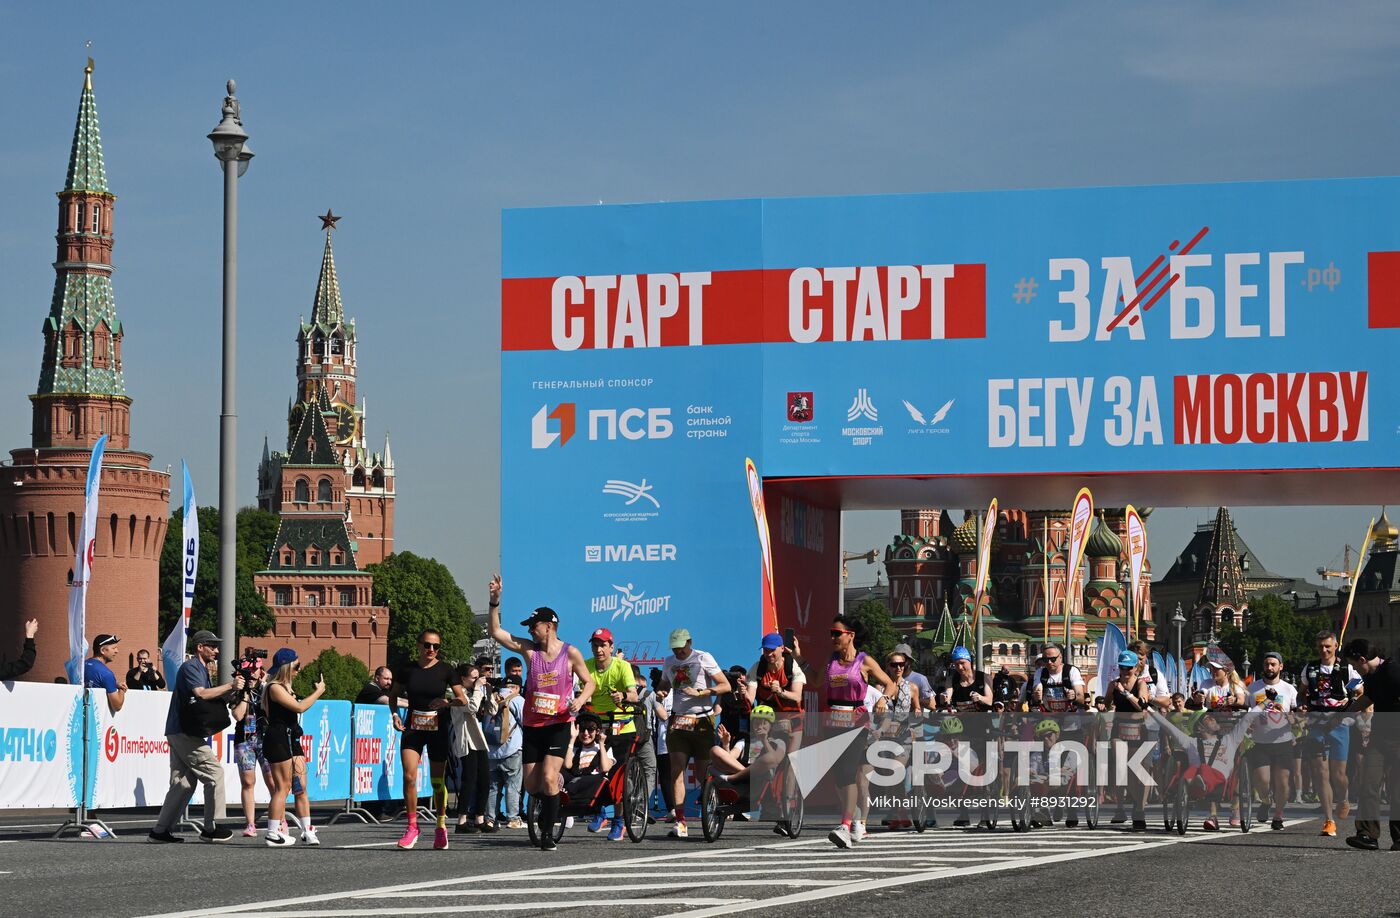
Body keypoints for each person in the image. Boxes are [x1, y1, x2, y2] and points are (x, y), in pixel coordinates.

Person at [487, 574, 595, 851]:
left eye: (534, 626)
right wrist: (494, 601)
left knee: (547, 778)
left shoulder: (570, 653)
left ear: (549, 627)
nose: (531, 631)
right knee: (533, 784)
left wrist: (580, 701)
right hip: (534, 726)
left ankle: (548, 833)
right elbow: (497, 633)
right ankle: (553, 789)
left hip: (559, 723)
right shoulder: (529, 651)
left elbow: (590, 682)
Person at [148, 630, 242, 843]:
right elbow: (200, 693)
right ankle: (211, 828)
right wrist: (230, 685)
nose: (216, 650)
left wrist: (236, 691)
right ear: (200, 647)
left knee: (184, 784)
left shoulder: (200, 668)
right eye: (212, 645)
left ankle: (160, 831)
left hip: (179, 730)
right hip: (185, 731)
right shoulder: (192, 667)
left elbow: (208, 698)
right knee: (214, 773)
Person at [389, 628, 470, 850]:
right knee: (408, 776)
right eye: (427, 645)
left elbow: (462, 699)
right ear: (418, 645)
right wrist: (395, 715)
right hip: (414, 728)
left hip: (438, 728)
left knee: (437, 782)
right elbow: (393, 696)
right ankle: (412, 826)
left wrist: (447, 702)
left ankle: (441, 825)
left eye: (436, 646)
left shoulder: (446, 670)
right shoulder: (407, 670)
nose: (431, 650)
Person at [825, 614, 893, 848]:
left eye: (837, 633)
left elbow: (890, 683)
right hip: (833, 721)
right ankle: (854, 820)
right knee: (838, 776)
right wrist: (798, 657)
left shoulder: (864, 661)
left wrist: (884, 698)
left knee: (847, 772)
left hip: (857, 722)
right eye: (831, 633)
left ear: (850, 635)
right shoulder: (831, 661)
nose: (832, 637)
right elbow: (814, 680)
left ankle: (845, 825)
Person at [658, 627, 730, 839]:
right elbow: (665, 683)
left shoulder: (702, 657)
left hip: (702, 720)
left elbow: (725, 685)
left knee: (702, 773)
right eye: (675, 649)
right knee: (677, 770)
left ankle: (712, 808)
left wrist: (702, 692)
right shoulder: (669, 662)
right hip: (679, 720)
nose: (679, 652)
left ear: (689, 642)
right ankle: (681, 822)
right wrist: (662, 690)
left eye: (682, 648)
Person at [1298, 629, 1361, 838]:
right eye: (1320, 647)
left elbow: (1360, 692)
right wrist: (1302, 707)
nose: (1324, 650)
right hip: (1317, 723)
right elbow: (1302, 694)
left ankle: (1343, 798)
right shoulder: (1310, 668)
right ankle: (1328, 820)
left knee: (1338, 774)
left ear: (1335, 646)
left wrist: (1348, 696)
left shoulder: (1346, 668)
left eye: (1327, 646)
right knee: (1321, 773)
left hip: (1339, 723)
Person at [261, 648, 325, 847]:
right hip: (278, 738)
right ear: (287, 667)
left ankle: (307, 830)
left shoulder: (287, 687)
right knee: (283, 787)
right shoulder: (274, 687)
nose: (299, 669)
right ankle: (272, 832)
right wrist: (319, 691)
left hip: (292, 737)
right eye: (297, 666)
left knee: (301, 787)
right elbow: (299, 707)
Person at [1342, 638, 1400, 850]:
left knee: (1397, 787)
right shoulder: (1373, 676)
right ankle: (1367, 834)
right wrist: (1344, 714)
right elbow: (1368, 698)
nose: (1355, 669)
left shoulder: (1393, 672)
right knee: (1368, 783)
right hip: (1379, 737)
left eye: (1355, 664)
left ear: (1363, 659)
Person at [584, 627, 641, 841]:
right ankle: (600, 813)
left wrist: (623, 695)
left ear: (611, 646)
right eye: (595, 645)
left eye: (602, 645)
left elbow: (634, 695)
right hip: (597, 724)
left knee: (617, 774)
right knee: (590, 768)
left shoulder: (622, 666)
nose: (598, 649)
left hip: (622, 724)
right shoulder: (587, 666)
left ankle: (619, 821)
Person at [1246, 650, 1299, 831]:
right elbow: (1247, 713)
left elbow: (1297, 717)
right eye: (1267, 664)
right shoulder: (1253, 688)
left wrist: (1289, 716)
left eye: (1273, 664)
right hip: (1260, 741)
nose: (1269, 667)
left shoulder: (1289, 689)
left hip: (1283, 741)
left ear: (1280, 667)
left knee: (1282, 782)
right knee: (1262, 780)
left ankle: (1278, 815)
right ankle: (1266, 801)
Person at [1107, 649, 1153, 831]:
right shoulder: (1113, 684)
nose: (1125, 672)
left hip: (1138, 729)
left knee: (1138, 770)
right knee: (1120, 766)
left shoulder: (1141, 684)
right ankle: (1120, 808)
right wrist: (1103, 703)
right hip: (1120, 727)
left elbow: (1142, 705)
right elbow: (1107, 702)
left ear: (1136, 667)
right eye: (1122, 668)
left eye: (1128, 668)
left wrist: (1125, 693)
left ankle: (1139, 809)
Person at [451, 662, 495, 833]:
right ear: (463, 679)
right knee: (469, 781)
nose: (478, 680)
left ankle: (479, 818)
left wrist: (489, 694)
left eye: (479, 677)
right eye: (474, 678)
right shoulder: (457, 694)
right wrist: (478, 690)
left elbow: (492, 710)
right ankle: (461, 821)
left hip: (478, 741)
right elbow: (472, 707)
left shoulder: (474, 692)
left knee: (485, 780)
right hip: (466, 741)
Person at [746, 633, 806, 752]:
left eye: (772, 650)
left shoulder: (792, 666)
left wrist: (780, 691)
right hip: (765, 722)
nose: (768, 654)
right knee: (761, 760)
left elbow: (797, 696)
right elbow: (750, 699)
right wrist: (742, 692)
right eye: (765, 650)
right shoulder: (757, 668)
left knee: (791, 760)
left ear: (782, 648)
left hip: (792, 720)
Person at [233, 657, 272, 837]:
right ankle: (250, 824)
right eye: (248, 670)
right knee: (248, 782)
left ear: (260, 671)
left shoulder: (268, 687)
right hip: (244, 740)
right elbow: (238, 715)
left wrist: (265, 686)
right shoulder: (239, 690)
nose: (252, 674)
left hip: (265, 738)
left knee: (273, 781)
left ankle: (279, 820)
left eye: (255, 670)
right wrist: (246, 694)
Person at [486, 674, 525, 829]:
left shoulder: (493, 697)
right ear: (517, 688)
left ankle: (490, 819)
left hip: (491, 749)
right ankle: (513, 819)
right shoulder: (517, 700)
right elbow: (525, 722)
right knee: (513, 785)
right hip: (511, 748)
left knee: (493, 787)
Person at [1026, 643, 1085, 712]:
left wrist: (1074, 696)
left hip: (1069, 715)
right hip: (1049, 715)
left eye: (1053, 659)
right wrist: (1036, 696)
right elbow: (1037, 691)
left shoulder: (1071, 671)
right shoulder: (1040, 672)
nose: (1049, 662)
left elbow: (1081, 697)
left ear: (1060, 657)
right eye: (1045, 660)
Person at [84, 633, 126, 714]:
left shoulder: (82, 665)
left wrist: (115, 684)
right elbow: (117, 705)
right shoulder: (106, 673)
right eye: (114, 648)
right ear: (102, 650)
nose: (117, 651)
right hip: (95, 719)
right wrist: (122, 689)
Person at [892, 643, 935, 709]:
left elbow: (932, 705)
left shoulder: (920, 679)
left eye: (903, 659)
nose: (899, 662)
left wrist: (912, 699)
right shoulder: (888, 679)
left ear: (910, 661)